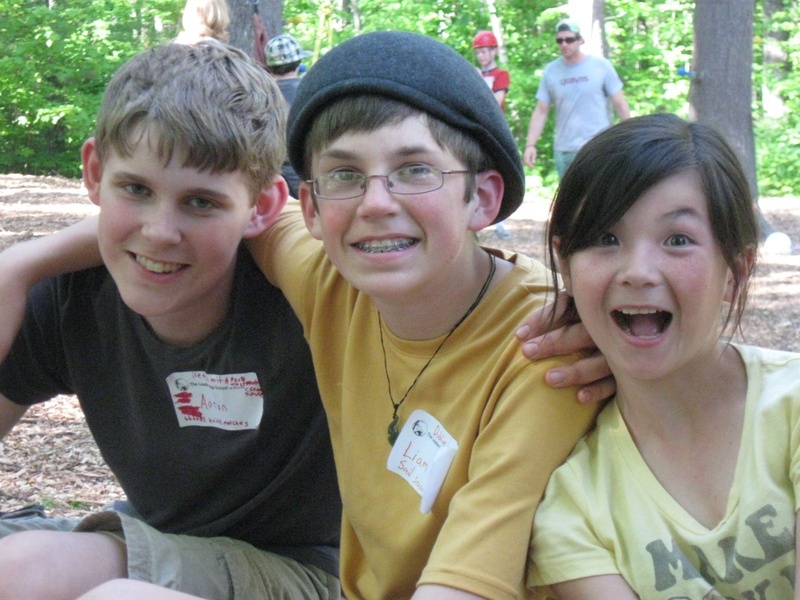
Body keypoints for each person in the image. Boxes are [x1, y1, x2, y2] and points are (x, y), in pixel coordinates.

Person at [31, 30, 601, 600]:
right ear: (310, 208)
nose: (376, 203)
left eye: (415, 170)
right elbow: (189, 213)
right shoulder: (330, 284)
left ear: (483, 197)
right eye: (345, 176)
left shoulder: (545, 346)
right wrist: (20, 267)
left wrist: (613, 321)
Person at [0, 41, 341, 600]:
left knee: (28, 572)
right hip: (160, 539)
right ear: (94, 171)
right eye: (136, 189)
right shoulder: (70, 296)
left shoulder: (305, 295)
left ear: (261, 207)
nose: (160, 232)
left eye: (201, 203)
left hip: (305, 569)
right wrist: (17, 266)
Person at [528, 113, 800, 598]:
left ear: (736, 268)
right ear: (565, 265)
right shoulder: (572, 505)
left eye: (678, 240)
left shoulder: (793, 407)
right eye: (605, 239)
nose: (638, 271)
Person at [523, 18, 630, 179]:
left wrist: (630, 135)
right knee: (570, 201)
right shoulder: (551, 71)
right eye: (560, 41)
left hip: (598, 146)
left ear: (580, 40)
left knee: (599, 197)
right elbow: (541, 111)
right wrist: (531, 144)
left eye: (569, 39)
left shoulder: (601, 66)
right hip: (564, 150)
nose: (564, 44)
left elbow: (619, 103)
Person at [473, 29, 512, 239]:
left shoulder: (500, 75)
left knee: (498, 173)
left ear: (494, 51)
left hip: (495, 130)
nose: (482, 56)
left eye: (485, 51)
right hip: (478, 130)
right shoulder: (477, 74)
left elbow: (497, 103)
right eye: (479, 52)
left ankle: (500, 221)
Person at [265, 33, 314, 198]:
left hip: (271, 171)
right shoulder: (309, 89)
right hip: (305, 167)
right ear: (298, 63)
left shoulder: (261, 93)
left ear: (270, 66)